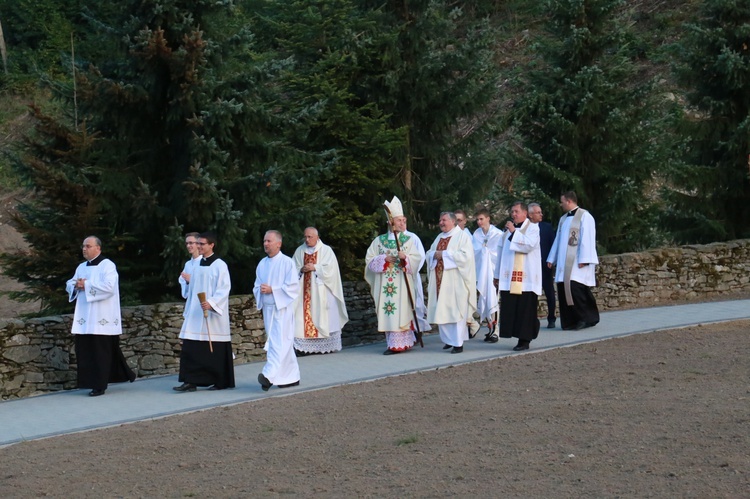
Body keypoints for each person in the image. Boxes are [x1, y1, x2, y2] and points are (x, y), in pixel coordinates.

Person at [65, 236, 135, 397]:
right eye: (83, 246)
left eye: (88, 246)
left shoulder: (107, 265)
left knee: (100, 352)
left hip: (102, 317)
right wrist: (76, 285)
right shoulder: (81, 267)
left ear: (98, 248)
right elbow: (70, 283)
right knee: (86, 351)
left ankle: (99, 385)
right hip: (85, 318)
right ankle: (88, 382)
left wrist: (86, 285)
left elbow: (109, 287)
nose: (84, 249)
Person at [365, 196, 427, 355]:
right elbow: (369, 260)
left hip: (401, 285)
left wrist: (405, 258)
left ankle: (402, 343)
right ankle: (392, 344)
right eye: (398, 220)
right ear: (390, 223)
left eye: (402, 220)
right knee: (389, 313)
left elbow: (417, 258)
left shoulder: (408, 240)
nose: (401, 223)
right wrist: (382, 259)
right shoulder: (379, 241)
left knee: (402, 312)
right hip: (385, 286)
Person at [173, 231, 235, 392]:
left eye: (202, 244)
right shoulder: (198, 265)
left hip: (212, 314)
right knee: (191, 348)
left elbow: (224, 288)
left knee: (213, 349)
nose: (198, 246)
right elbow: (192, 290)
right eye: (197, 244)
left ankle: (220, 381)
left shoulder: (220, 265)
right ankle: (190, 381)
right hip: (196, 311)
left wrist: (212, 303)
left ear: (211, 245)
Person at [547, 191, 600, 330]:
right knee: (563, 291)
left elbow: (588, 238)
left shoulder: (584, 216)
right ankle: (570, 321)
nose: (561, 204)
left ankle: (587, 318)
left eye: (562, 201)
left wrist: (585, 259)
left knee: (577, 290)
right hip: (563, 263)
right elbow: (558, 240)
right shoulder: (563, 219)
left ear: (569, 201)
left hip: (577, 262)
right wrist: (552, 258)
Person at [255, 230, 301, 390]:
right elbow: (257, 284)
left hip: (282, 309)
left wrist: (273, 290)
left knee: (278, 343)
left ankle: (268, 375)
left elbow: (293, 287)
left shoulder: (287, 262)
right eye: (264, 241)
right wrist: (260, 289)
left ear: (278, 243)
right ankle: (290, 377)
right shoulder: (262, 263)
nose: (265, 244)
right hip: (268, 309)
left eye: (269, 241)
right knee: (282, 343)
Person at [292, 227, 349, 355]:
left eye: (309, 237)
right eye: (305, 237)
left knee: (324, 317)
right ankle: (304, 348)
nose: (306, 239)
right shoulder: (300, 251)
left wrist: (315, 267)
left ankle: (324, 346)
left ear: (317, 237)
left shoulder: (326, 250)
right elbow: (292, 268)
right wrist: (301, 270)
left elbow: (331, 270)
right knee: (301, 319)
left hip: (322, 292)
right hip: (304, 293)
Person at [493, 202, 542, 351]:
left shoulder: (533, 228)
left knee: (525, 310)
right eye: (512, 211)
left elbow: (528, 246)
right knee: (512, 309)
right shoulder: (507, 231)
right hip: (509, 278)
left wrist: (514, 232)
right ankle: (515, 334)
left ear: (525, 213)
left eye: (516, 211)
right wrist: (497, 276)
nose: (513, 214)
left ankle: (524, 340)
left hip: (526, 279)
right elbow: (500, 253)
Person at [426, 212, 476, 354]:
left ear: (453, 222)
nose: (441, 222)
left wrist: (444, 255)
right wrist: (433, 255)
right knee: (442, 311)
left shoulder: (462, 236)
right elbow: (429, 253)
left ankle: (458, 343)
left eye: (444, 220)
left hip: (455, 283)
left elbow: (466, 257)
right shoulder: (439, 237)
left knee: (456, 312)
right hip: (440, 282)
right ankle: (449, 340)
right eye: (440, 220)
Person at [472, 208, 503, 336]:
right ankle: (489, 328)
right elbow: (474, 252)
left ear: (488, 218)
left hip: (492, 271)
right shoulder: (477, 234)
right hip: (481, 272)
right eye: (477, 219)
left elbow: (498, 253)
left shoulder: (497, 234)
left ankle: (495, 330)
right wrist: (483, 252)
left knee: (493, 299)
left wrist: (485, 252)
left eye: (481, 219)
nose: (479, 222)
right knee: (483, 298)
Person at [528, 203, 557, 328]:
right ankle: (532, 319)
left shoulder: (546, 227)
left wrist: (552, 260)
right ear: (530, 215)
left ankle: (552, 318)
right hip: (531, 267)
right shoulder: (526, 228)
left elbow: (553, 244)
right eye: (538, 212)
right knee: (531, 294)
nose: (541, 214)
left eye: (541, 212)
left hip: (545, 265)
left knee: (549, 292)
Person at [455, 209, 481, 338]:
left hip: (466, 274)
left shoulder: (467, 237)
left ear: (465, 221)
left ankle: (472, 324)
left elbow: (470, 257)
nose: (457, 223)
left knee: (464, 303)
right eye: (455, 220)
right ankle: (467, 328)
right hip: (455, 275)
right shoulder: (452, 235)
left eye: (460, 220)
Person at [178, 232, 202, 300]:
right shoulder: (188, 264)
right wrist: (186, 281)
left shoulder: (204, 262)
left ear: (198, 244)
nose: (188, 246)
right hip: (190, 300)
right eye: (187, 243)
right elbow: (182, 280)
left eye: (191, 243)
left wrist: (192, 279)